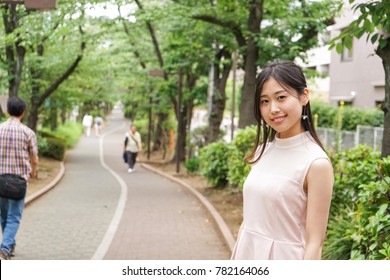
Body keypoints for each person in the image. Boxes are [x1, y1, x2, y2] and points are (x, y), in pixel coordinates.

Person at [231, 60, 334, 260]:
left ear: (304, 96)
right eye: (265, 101)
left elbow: (315, 243)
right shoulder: (263, 151)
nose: (273, 109)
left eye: (281, 97)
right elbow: (249, 220)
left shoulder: (316, 163)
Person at [0, 97, 39, 260]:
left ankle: (9, 244)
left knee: (3, 215)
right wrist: (33, 171)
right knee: (14, 216)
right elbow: (34, 158)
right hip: (18, 181)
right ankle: (5, 247)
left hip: (0, 178)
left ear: (7, 111)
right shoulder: (28, 132)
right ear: (23, 113)